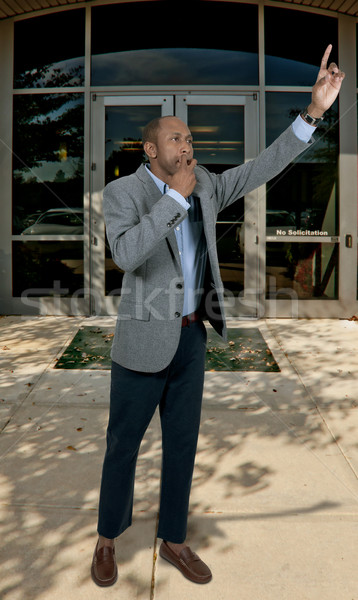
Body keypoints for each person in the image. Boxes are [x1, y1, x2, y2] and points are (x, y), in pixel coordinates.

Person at [91, 45, 344, 587]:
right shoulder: (122, 192)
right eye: (178, 138)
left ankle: (175, 540)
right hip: (140, 344)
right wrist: (173, 202)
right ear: (150, 148)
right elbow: (127, 254)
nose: (189, 145)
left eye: (190, 138)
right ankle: (107, 538)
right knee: (122, 445)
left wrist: (314, 112)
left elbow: (261, 167)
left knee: (183, 444)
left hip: (190, 340)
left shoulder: (205, 183)